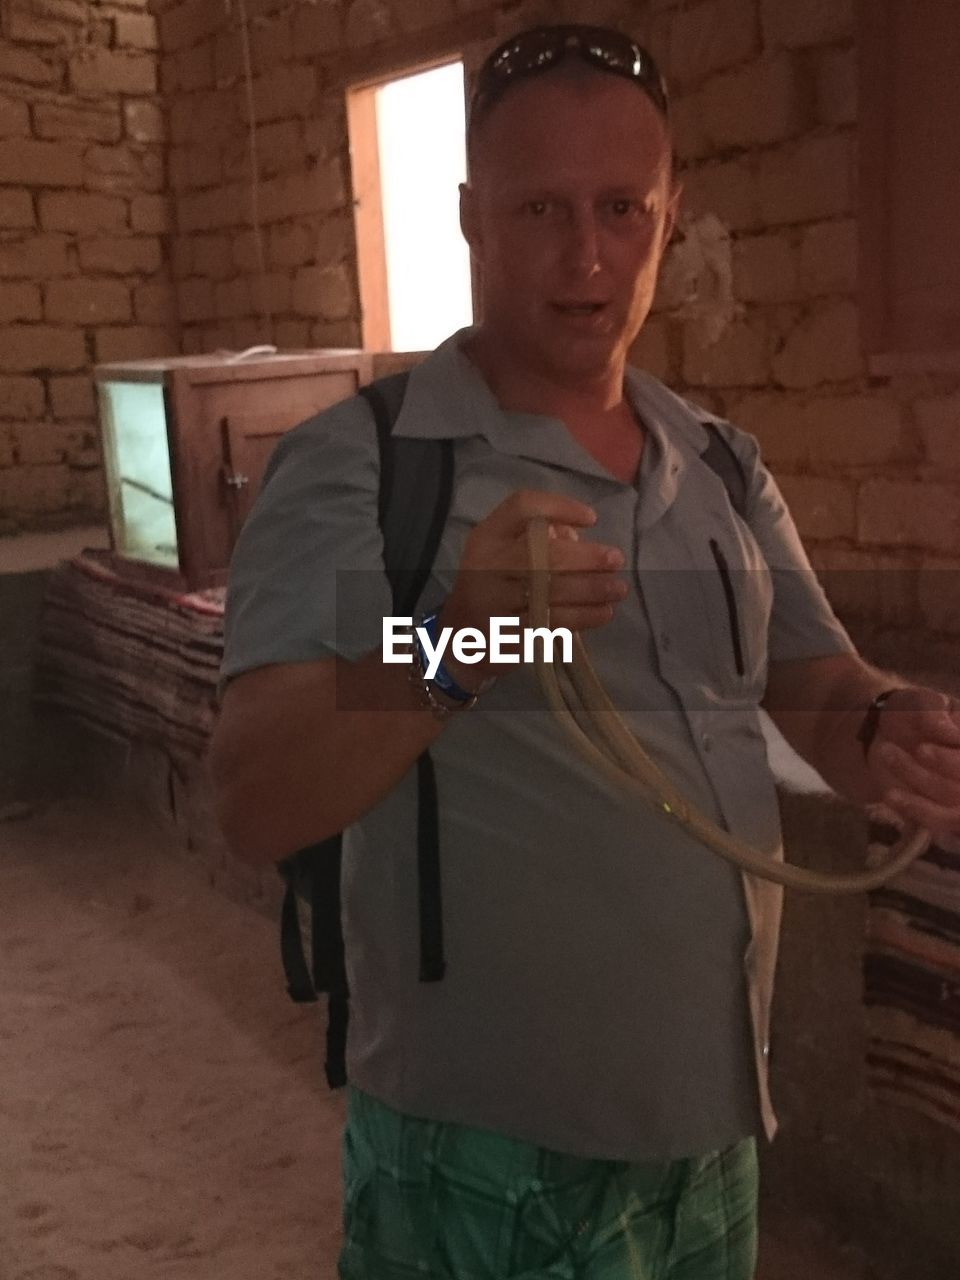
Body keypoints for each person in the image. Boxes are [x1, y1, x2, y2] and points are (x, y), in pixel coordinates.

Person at [210, 24, 960, 1280]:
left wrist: (891, 727)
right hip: (480, 1151)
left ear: (673, 215)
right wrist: (466, 635)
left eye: (623, 206)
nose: (587, 254)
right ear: (470, 218)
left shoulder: (719, 462)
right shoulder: (364, 464)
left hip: (711, 1127)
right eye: (541, 207)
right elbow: (253, 787)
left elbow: (811, 681)